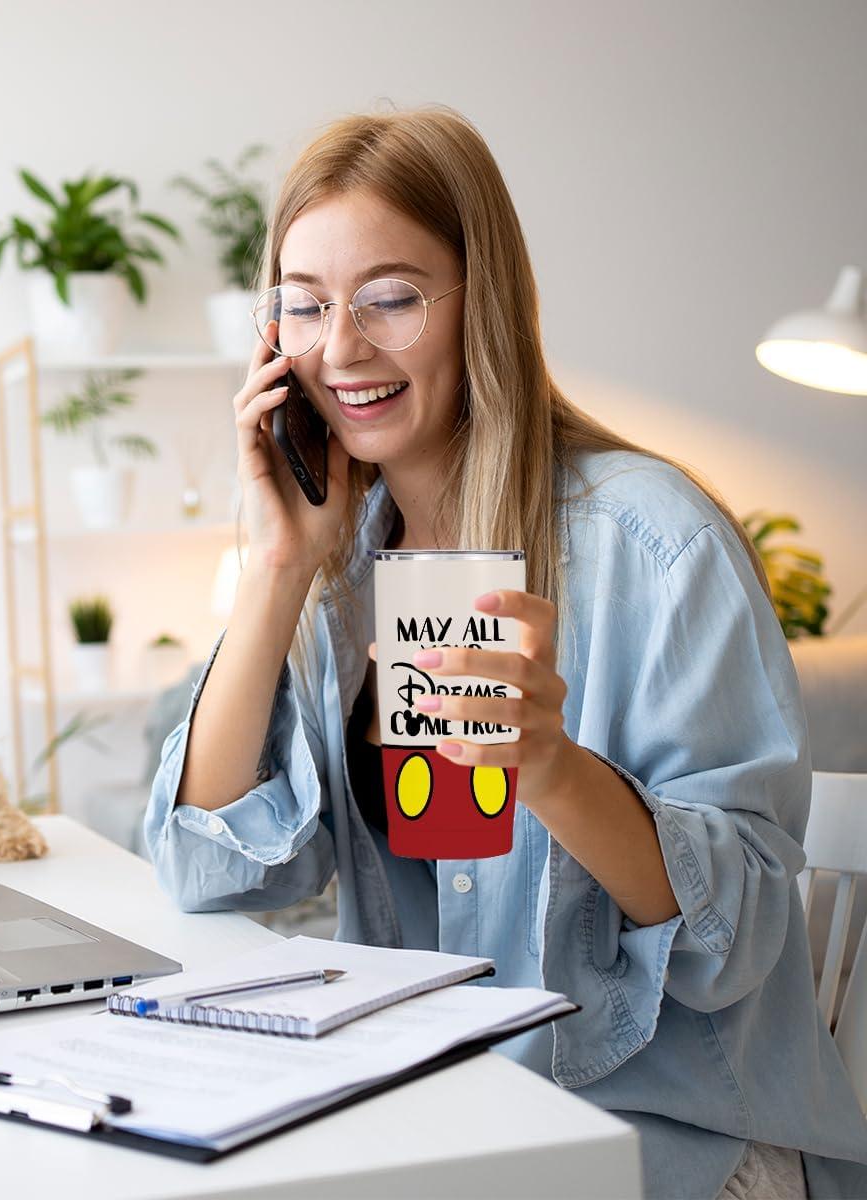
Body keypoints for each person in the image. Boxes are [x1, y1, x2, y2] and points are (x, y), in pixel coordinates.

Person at [143, 106, 867, 1199]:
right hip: (444, 1110)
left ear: (482, 299)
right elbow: (209, 869)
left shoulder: (655, 543)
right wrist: (277, 570)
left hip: (664, 1136)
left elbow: (747, 936)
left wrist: (554, 767)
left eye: (390, 298)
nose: (340, 349)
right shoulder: (341, 563)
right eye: (303, 305)